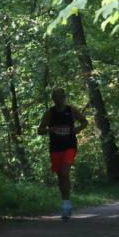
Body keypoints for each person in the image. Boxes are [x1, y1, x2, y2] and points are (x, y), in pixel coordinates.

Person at [37, 87, 88, 220]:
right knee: (61, 176)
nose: (58, 99)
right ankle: (66, 204)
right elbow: (40, 130)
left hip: (70, 146)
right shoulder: (50, 113)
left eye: (60, 96)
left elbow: (85, 121)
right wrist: (50, 130)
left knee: (65, 172)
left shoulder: (71, 110)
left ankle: (66, 206)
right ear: (53, 99)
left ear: (64, 97)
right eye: (56, 97)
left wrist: (78, 128)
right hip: (55, 148)